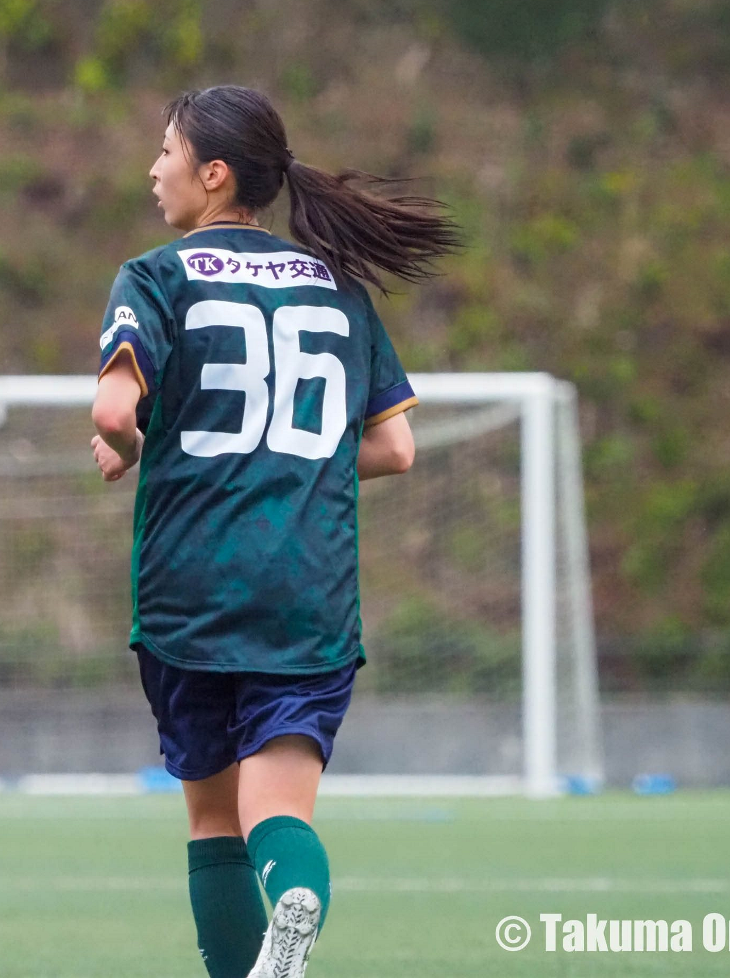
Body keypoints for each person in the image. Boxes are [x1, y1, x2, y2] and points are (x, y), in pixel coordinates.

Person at [90, 84, 460, 978]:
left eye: (167, 151)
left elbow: (111, 410)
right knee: (279, 819)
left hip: (190, 588)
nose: (153, 169)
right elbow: (396, 448)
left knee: (212, 819)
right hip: (308, 590)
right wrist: (292, 471)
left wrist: (127, 445)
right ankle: (293, 895)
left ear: (214, 175)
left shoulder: (157, 275)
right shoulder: (341, 291)